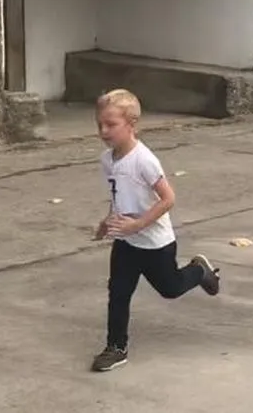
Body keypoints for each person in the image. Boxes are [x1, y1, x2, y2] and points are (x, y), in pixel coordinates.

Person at [91, 89, 220, 372]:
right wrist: (107, 221)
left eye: (111, 124)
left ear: (132, 124)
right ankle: (116, 347)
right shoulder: (107, 159)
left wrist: (138, 224)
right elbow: (119, 194)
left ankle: (199, 271)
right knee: (118, 293)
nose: (103, 131)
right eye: (100, 124)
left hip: (155, 243)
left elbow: (168, 198)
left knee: (170, 288)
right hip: (126, 241)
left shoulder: (144, 160)